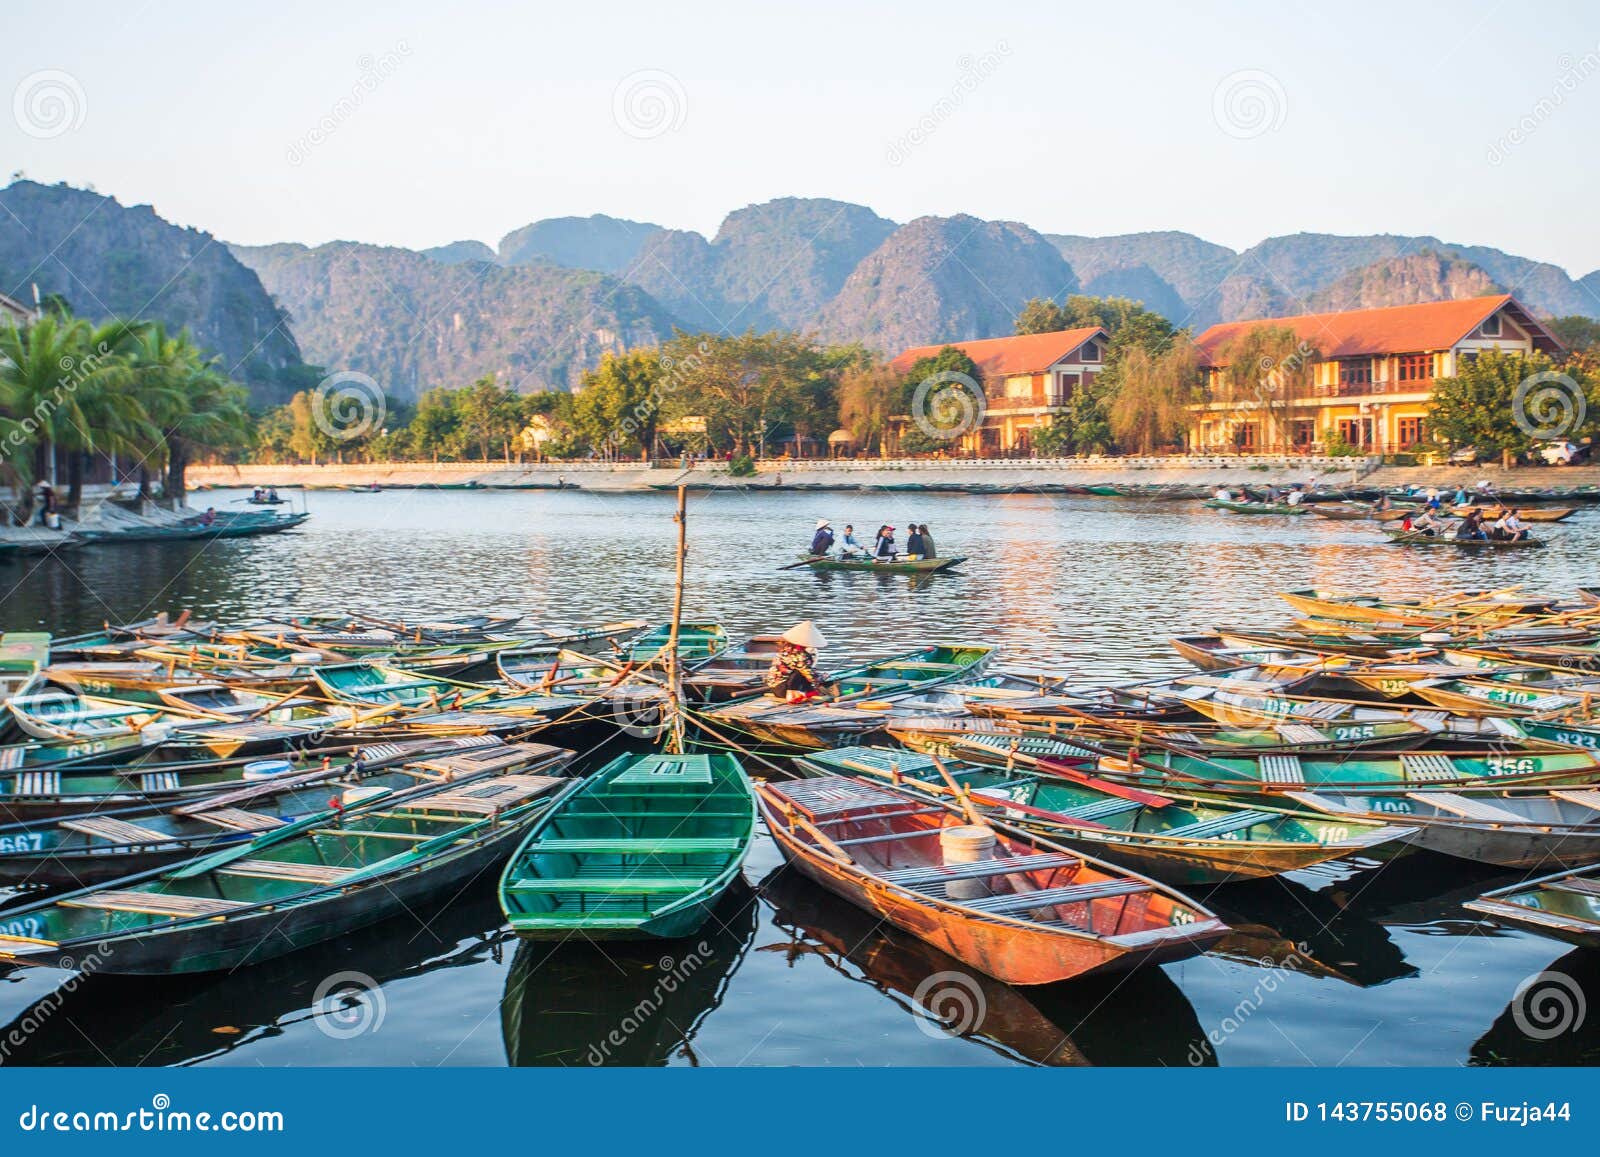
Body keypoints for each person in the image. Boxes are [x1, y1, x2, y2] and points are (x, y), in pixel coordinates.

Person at [764, 621, 835, 701]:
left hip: (774, 688)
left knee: (801, 671)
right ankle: (795, 695)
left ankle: (809, 691)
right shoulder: (800, 655)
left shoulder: (785, 649)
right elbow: (811, 677)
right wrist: (824, 676)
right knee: (799, 673)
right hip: (783, 690)